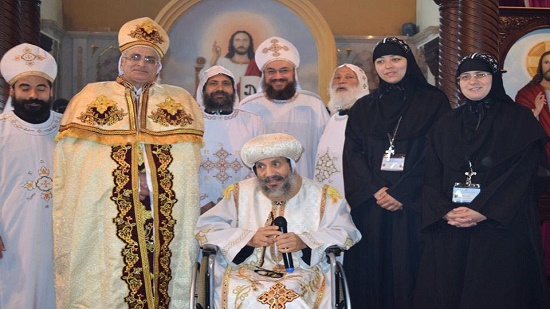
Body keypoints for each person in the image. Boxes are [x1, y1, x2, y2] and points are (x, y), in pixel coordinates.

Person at [52, 17, 204, 308]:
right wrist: (125, 183)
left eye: (150, 59)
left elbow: (186, 163)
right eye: (134, 56)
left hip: (162, 211)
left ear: (159, 67)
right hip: (106, 213)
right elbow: (78, 166)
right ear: (121, 62)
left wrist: (153, 181)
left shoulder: (179, 101)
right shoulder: (90, 98)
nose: (141, 63)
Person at [414, 52, 549, 308]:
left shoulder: (520, 119)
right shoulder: (446, 123)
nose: (473, 81)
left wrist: (482, 210)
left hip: (501, 227)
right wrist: (445, 211)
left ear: (494, 78)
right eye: (465, 76)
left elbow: (525, 174)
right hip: (452, 226)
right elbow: (430, 174)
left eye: (480, 75)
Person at [342, 37, 451, 308]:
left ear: (409, 62)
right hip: (372, 207)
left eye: (395, 59)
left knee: (412, 270)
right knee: (372, 271)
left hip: (413, 205)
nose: (388, 66)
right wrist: (375, 190)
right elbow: (352, 155)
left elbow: (438, 153)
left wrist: (401, 192)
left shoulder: (434, 101)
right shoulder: (363, 107)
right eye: (380, 61)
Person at [195, 133, 361, 308]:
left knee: (292, 297)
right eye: (261, 166)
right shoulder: (239, 193)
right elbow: (206, 228)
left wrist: (305, 241)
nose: (269, 174)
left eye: (276, 164)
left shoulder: (322, 195)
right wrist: (248, 239)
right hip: (244, 272)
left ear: (291, 164)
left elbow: (347, 232)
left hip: (303, 272)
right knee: (245, 295)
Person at [0, 43, 59, 309]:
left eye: (41, 88)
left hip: (58, 232)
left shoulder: (68, 129)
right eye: (25, 88)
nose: (33, 94)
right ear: (11, 91)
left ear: (51, 92)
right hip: (10, 232)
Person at [239, 36, 330, 179]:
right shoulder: (249, 106)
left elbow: (326, 150)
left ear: (294, 72)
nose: (278, 76)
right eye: (271, 71)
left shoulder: (313, 104)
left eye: (284, 70)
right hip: (264, 186)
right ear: (264, 75)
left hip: (306, 184)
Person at [196, 65, 263, 213]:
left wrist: (239, 198)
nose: (220, 88)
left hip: (244, 203)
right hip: (199, 205)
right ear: (203, 89)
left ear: (234, 90)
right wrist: (203, 201)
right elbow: (185, 165)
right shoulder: (191, 121)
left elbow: (261, 163)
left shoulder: (252, 121)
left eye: (226, 83)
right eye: (213, 83)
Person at [314, 63, 369, 196]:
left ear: (361, 84)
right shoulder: (333, 118)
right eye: (337, 77)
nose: (341, 81)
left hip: (357, 189)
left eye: (349, 77)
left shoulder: (367, 116)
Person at [516, 50, 550, 160]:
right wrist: (535, 112)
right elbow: (519, 121)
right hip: (541, 150)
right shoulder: (528, 93)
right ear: (541, 66)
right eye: (547, 62)